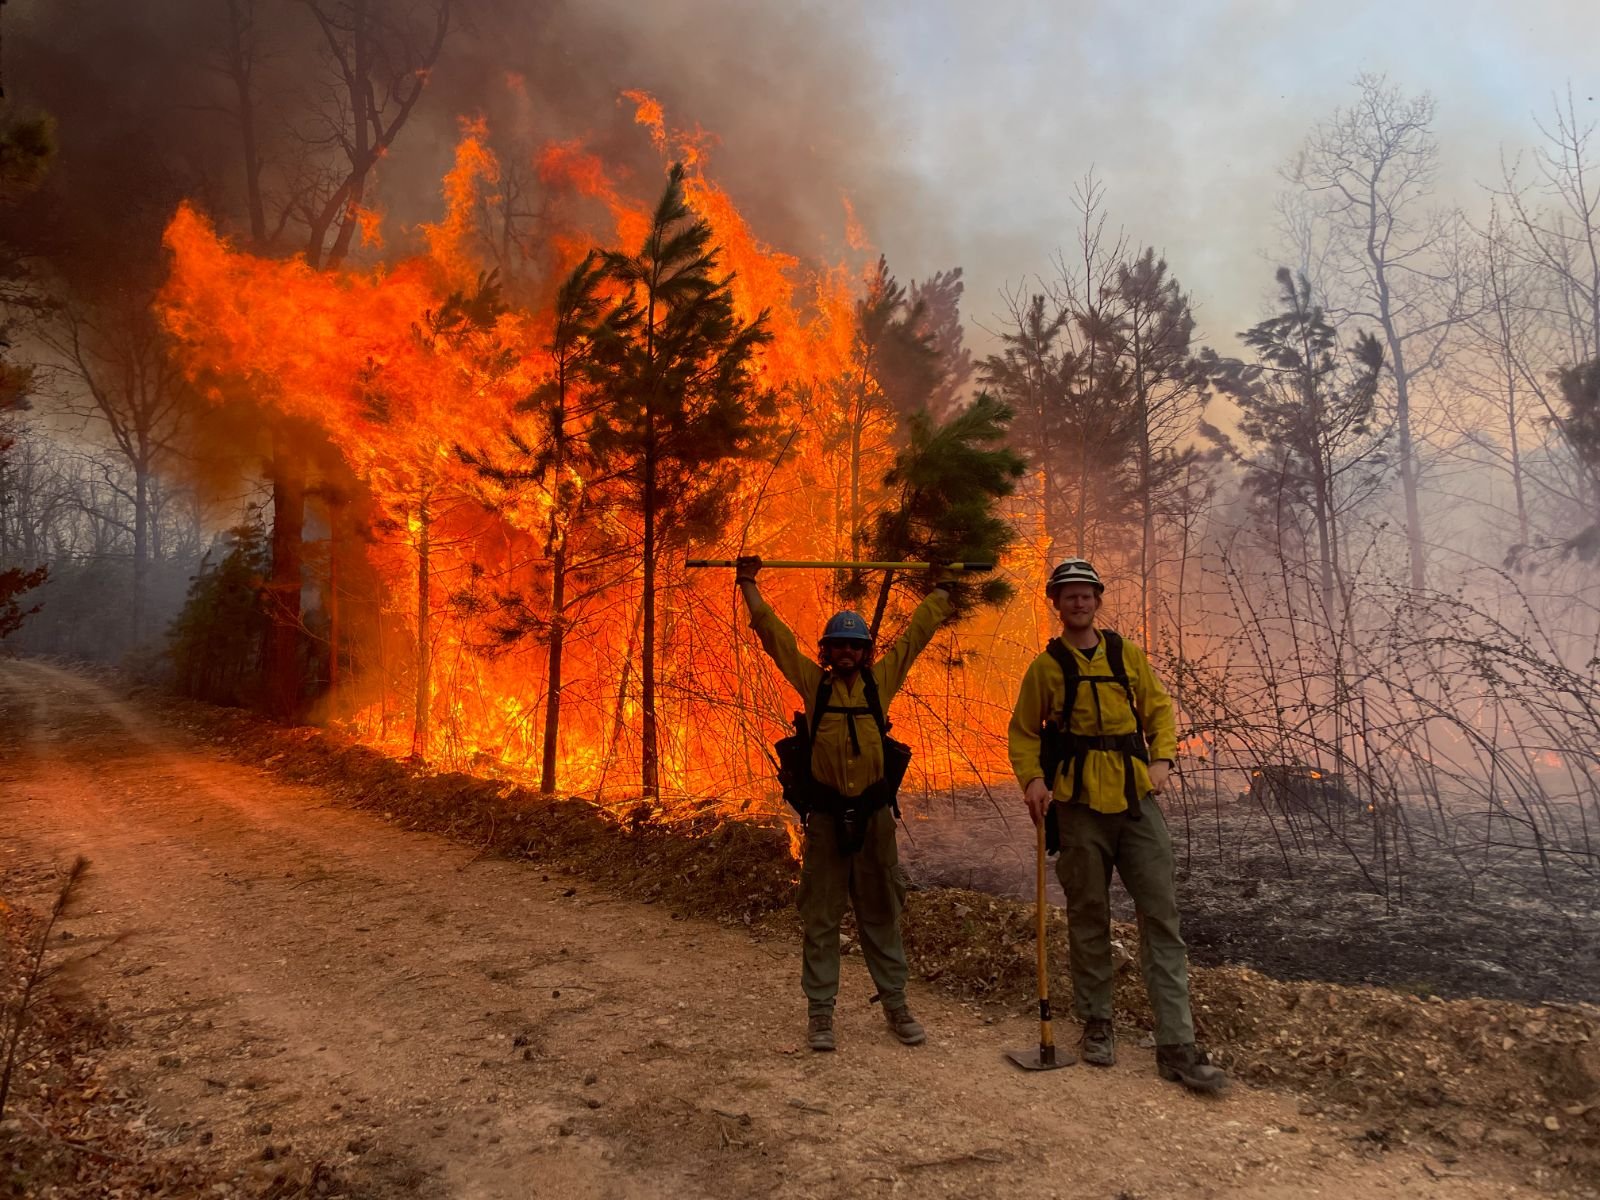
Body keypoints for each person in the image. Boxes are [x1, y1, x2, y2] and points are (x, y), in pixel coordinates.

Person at [1007, 558, 1228, 1093]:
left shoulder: (1126, 654)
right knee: (1088, 916)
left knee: (1161, 920)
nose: (1079, 603)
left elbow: (1159, 712)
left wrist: (1162, 762)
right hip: (1079, 809)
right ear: (1055, 604)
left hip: (1135, 805)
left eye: (1086, 595)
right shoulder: (1046, 667)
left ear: (1097, 600)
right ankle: (1097, 1024)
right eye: (1069, 595)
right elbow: (1022, 731)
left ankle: (1176, 1044)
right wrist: (1033, 780)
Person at [736, 555, 957, 1052]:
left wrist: (942, 591)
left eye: (855, 646)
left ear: (865, 651)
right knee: (821, 918)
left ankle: (896, 1006)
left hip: (876, 821)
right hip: (827, 822)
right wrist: (748, 583)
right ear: (827, 650)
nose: (847, 652)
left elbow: (916, 637)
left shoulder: (881, 683)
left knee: (881, 913)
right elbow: (774, 637)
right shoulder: (815, 686)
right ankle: (820, 1015)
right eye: (838, 645)